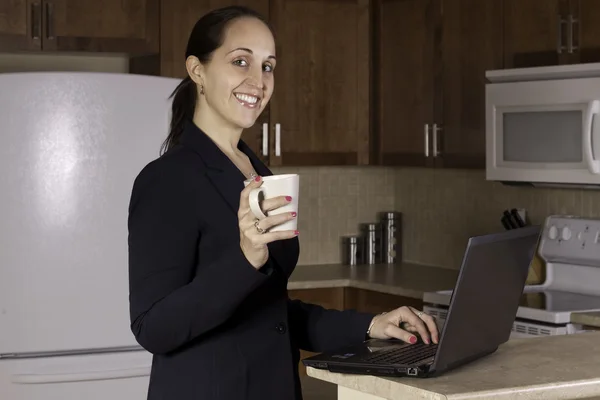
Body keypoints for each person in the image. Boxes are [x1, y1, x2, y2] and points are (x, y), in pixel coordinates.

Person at [127, 5, 439, 400]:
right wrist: (245, 260)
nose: (258, 81)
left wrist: (370, 325)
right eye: (241, 61)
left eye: (268, 66)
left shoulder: (257, 171)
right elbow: (154, 328)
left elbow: (267, 314)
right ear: (197, 70)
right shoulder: (167, 180)